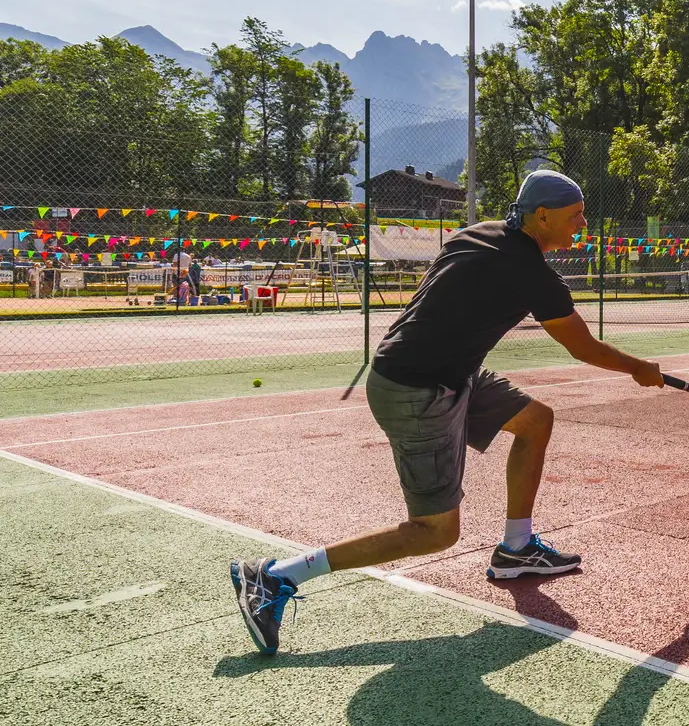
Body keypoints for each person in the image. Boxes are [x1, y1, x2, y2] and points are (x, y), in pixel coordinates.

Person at [230, 170, 664, 656]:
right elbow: (584, 347)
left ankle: (516, 549)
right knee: (435, 531)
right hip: (415, 390)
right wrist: (638, 368)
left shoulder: (476, 234)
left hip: (447, 374)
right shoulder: (531, 273)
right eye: (575, 215)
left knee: (536, 420)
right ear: (542, 215)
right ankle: (273, 576)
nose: (582, 225)